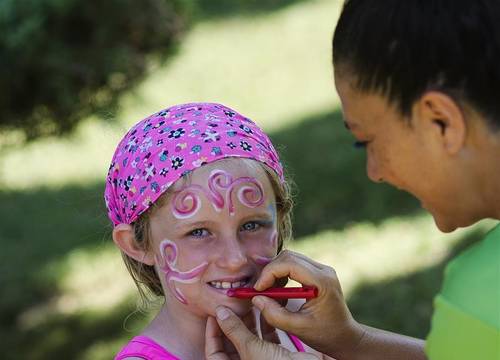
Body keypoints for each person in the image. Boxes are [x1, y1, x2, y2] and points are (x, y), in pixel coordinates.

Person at [207, 0, 500, 359]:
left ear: (440, 120)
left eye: (368, 140)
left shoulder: (484, 299)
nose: (374, 172)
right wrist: (352, 342)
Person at [105, 102, 330, 359]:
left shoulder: (303, 322)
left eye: (251, 225)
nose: (235, 259)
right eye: (199, 232)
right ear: (137, 244)